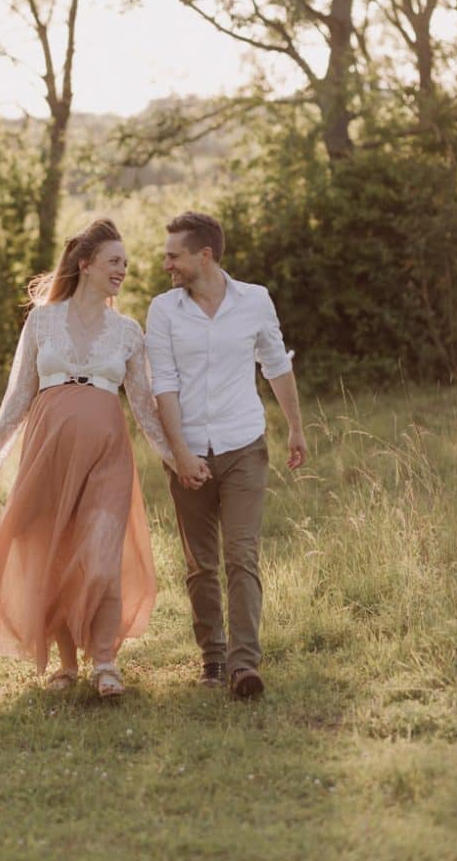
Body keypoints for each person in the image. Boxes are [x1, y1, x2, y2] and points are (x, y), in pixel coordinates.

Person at [0, 218, 179, 698]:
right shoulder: (43, 320)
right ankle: (69, 665)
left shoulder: (128, 332)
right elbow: (18, 396)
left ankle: (106, 661)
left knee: (101, 558)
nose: (123, 270)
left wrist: (176, 458)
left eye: (126, 263)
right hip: (48, 450)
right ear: (86, 264)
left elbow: (143, 407)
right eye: (114, 261)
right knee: (52, 555)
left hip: (107, 455)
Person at [145, 211, 307, 698]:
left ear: (204, 255)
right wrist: (180, 454)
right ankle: (212, 658)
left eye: (174, 255)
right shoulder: (163, 310)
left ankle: (243, 665)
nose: (166, 263)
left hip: (243, 445)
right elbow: (165, 385)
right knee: (201, 563)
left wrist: (296, 427)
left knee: (242, 554)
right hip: (187, 450)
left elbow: (275, 364)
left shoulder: (254, 301)